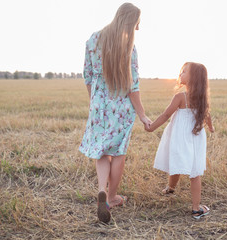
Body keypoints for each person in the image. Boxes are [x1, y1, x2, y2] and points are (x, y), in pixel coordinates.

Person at [79, 3, 151, 223]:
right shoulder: (129, 47)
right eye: (137, 24)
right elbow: (133, 87)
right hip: (122, 107)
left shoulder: (93, 39)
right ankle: (111, 197)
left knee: (101, 151)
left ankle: (102, 189)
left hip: (99, 104)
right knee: (119, 152)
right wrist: (142, 115)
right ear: (130, 21)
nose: (138, 29)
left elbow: (88, 76)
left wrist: (95, 102)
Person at [146, 62, 214, 219]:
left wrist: (151, 128)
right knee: (194, 171)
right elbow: (208, 114)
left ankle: (182, 197)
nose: (180, 74)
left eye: (184, 72)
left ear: (193, 78)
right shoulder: (202, 99)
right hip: (196, 137)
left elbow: (165, 115)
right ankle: (182, 197)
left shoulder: (180, 97)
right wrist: (211, 127)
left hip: (180, 136)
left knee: (178, 162)